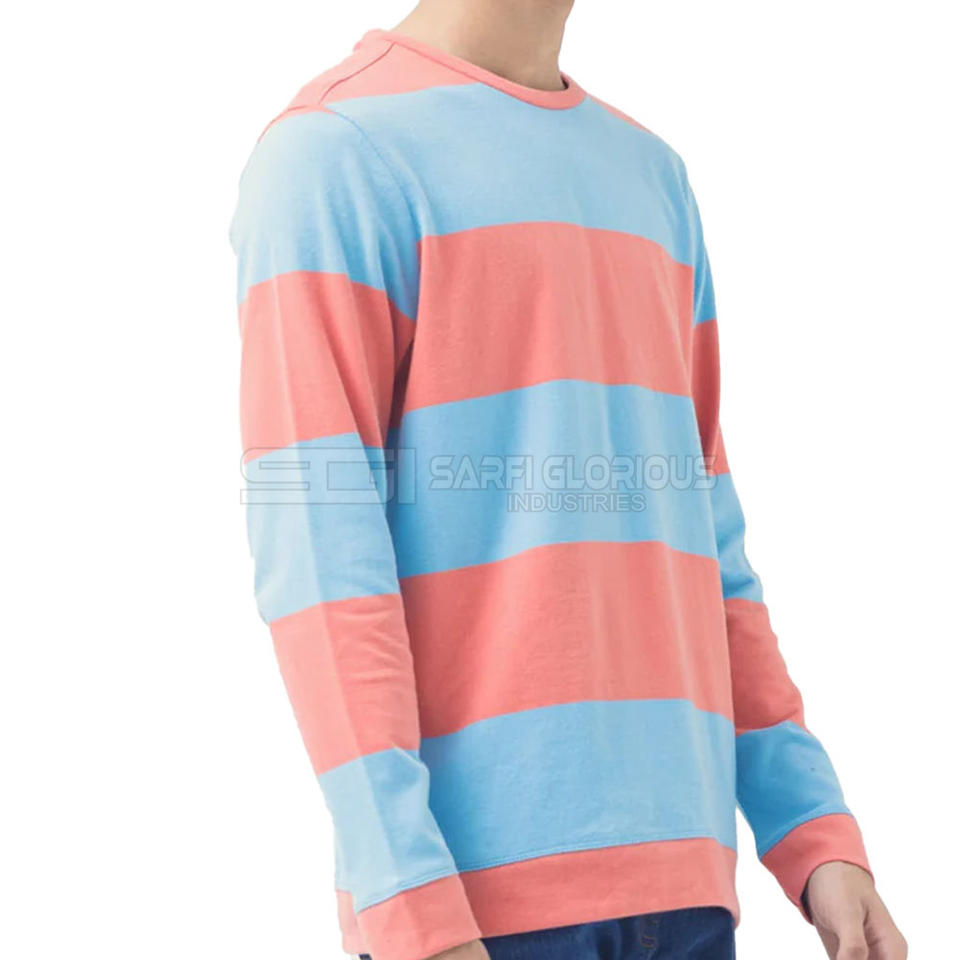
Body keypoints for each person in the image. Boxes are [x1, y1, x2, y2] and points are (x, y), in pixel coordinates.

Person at [230, 2, 907, 958]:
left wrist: (810, 827)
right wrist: (409, 904)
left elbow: (704, 537)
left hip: (685, 879)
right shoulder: (332, 155)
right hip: (475, 908)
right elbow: (318, 566)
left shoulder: (650, 178)